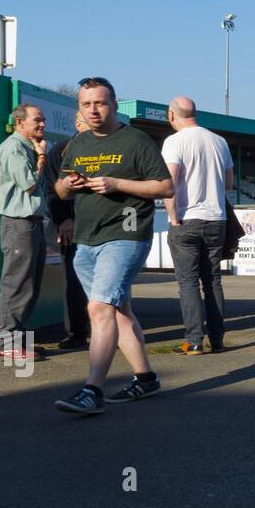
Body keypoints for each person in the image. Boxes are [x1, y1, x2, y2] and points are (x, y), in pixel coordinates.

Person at [53, 78, 174, 416]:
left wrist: (116, 183)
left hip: (126, 234)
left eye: (100, 103)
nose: (93, 110)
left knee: (99, 309)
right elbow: (61, 193)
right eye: (86, 104)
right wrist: (67, 183)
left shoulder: (135, 141)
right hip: (86, 239)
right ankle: (146, 378)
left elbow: (166, 187)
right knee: (118, 311)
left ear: (114, 104)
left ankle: (92, 390)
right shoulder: (77, 144)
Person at [162, 96, 234, 355]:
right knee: (213, 280)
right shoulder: (219, 141)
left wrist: (172, 218)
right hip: (216, 219)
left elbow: (169, 184)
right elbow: (229, 183)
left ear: (172, 115)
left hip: (186, 217)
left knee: (188, 282)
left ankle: (194, 340)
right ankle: (217, 339)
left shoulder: (174, 142)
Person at [0, 104, 50, 362]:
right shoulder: (14, 148)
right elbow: (28, 184)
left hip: (32, 224)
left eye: (42, 120)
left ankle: (18, 340)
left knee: (30, 285)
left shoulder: (26, 147)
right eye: (36, 120)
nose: (41, 125)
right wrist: (41, 158)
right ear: (20, 123)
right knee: (17, 284)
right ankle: (6, 342)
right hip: (19, 224)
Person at [44, 113, 91, 349]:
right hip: (72, 228)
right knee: (73, 282)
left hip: (103, 226)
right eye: (86, 121)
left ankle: (111, 333)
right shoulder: (61, 152)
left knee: (106, 281)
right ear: (76, 123)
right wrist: (63, 219)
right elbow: (52, 192)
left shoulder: (110, 151)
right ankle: (77, 332)